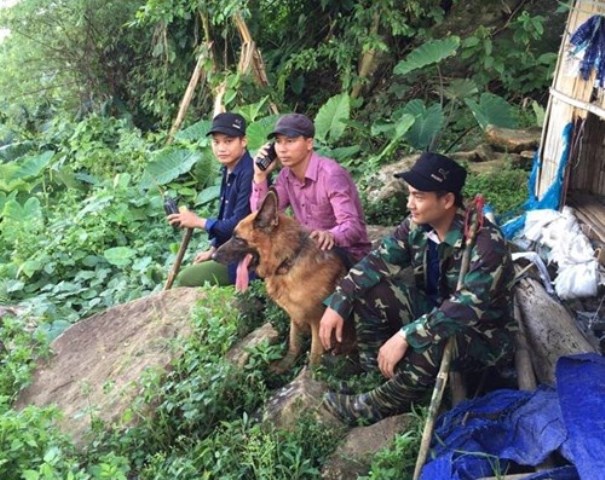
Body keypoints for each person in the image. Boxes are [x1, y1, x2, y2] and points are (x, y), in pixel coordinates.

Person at [318, 151, 516, 425]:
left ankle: (374, 406)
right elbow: (377, 262)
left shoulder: (485, 243)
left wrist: (406, 335)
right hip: (434, 312)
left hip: (483, 335)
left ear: (447, 200)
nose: (409, 204)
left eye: (419, 197)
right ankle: (377, 379)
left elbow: (464, 309)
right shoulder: (416, 227)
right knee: (370, 294)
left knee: (433, 339)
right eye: (409, 194)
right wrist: (340, 300)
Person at [251, 113, 371, 266]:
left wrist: (331, 235)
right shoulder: (285, 176)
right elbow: (262, 218)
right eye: (278, 142)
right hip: (309, 254)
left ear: (309, 143)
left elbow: (352, 226)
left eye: (290, 141)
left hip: (345, 254)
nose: (282, 149)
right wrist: (260, 175)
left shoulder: (331, 175)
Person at [167, 112, 254, 286]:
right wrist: (214, 249)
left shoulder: (249, 173)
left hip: (246, 255)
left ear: (243, 141)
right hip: (230, 249)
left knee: (185, 278)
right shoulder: (229, 167)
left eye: (228, 141)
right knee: (196, 265)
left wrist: (198, 221)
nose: (221, 148)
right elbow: (224, 214)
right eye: (216, 142)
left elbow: (237, 225)